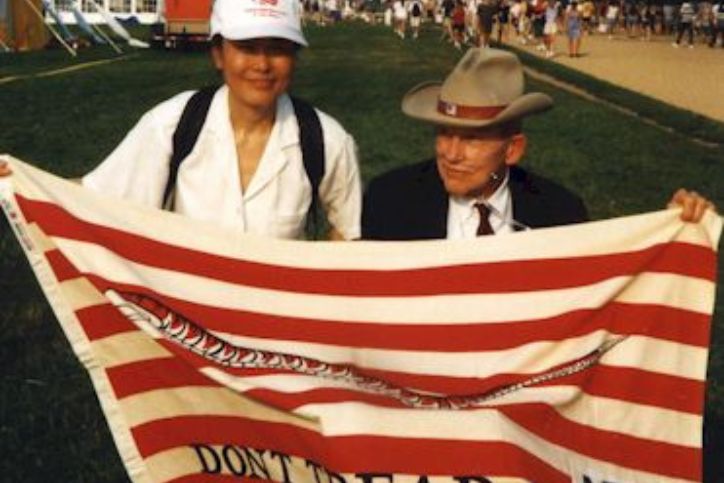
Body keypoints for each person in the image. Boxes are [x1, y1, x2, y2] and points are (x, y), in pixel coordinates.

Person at [1, 0, 363, 241]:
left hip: (281, 339)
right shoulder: (173, 125)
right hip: (185, 336)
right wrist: (23, 183)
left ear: (295, 57)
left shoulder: (326, 140)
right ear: (218, 54)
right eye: (247, 47)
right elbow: (101, 196)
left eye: (279, 48)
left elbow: (348, 232)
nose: (263, 64)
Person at [361, 48, 714, 241]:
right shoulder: (390, 202)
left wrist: (675, 230)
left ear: (513, 149)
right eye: (443, 133)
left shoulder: (560, 214)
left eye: (471, 139)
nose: (450, 153)